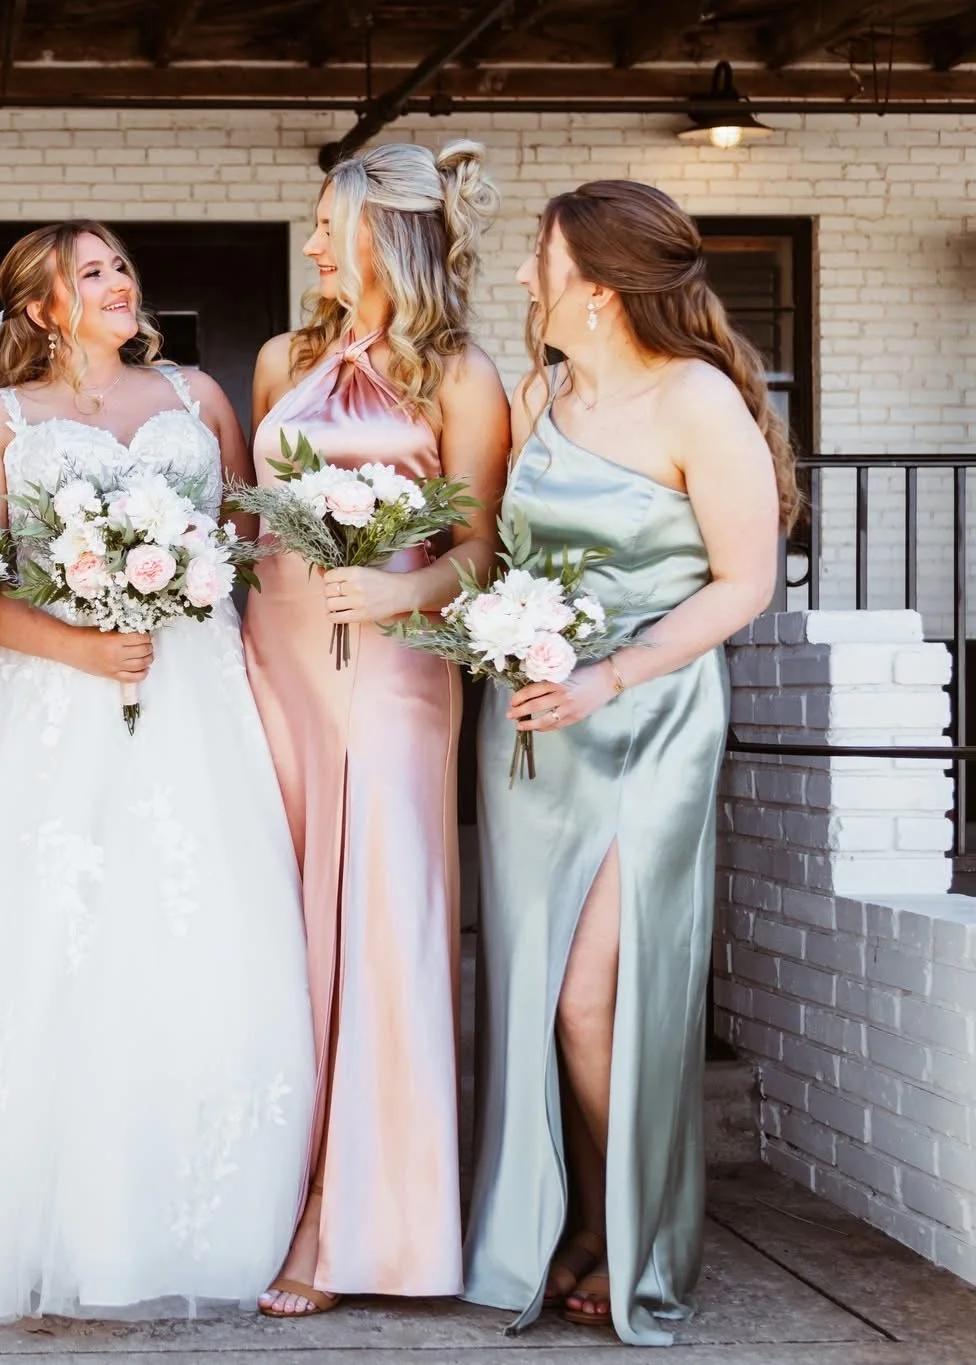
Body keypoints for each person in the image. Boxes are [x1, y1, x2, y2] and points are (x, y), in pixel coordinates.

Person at [0, 222, 316, 1326]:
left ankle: (209, 1213)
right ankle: (58, 1220)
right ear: (44, 306)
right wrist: (84, 646)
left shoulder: (196, 397)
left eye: (121, 266)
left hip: (194, 697)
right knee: (63, 939)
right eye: (90, 271)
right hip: (60, 705)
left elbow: (247, 547)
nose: (118, 283)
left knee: (198, 932)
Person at [462, 180, 794, 1345]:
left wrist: (611, 673)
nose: (519, 280)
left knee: (589, 999)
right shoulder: (539, 390)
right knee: (534, 993)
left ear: (594, 290)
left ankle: (628, 1225)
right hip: (536, 732)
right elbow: (501, 554)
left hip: (646, 719)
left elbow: (743, 583)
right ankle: (575, 1220)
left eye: (536, 260)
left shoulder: (695, 402)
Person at [243, 140, 509, 1318]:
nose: (308, 247)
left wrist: (402, 592)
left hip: (394, 671)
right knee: (279, 931)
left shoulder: (458, 376)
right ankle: (268, 1187)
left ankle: (354, 1222)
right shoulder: (279, 361)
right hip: (276, 664)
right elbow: (248, 521)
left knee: (379, 923)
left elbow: (480, 544)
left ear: (377, 236)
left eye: (322, 225)